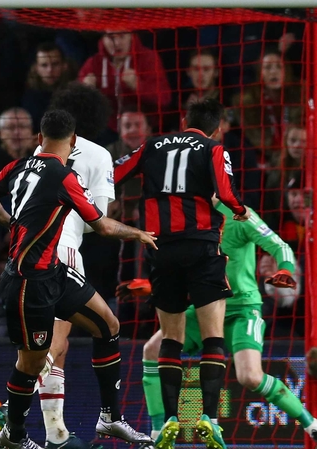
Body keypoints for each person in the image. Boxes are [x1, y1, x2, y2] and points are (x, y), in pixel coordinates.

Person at [0, 109, 157, 449]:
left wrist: (11, 222)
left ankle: (110, 418)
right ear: (72, 142)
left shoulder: (17, 166)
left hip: (55, 272)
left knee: (108, 325)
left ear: (39, 138)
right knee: (31, 363)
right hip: (29, 284)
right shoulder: (63, 174)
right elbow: (101, 225)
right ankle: (13, 434)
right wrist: (137, 233)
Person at [113, 98, 251, 449]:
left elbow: (115, 173)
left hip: (161, 248)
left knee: (171, 339)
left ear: (183, 120)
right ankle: (210, 418)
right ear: (217, 127)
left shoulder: (152, 145)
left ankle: (171, 419)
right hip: (202, 247)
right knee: (212, 337)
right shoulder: (214, 147)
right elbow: (224, 190)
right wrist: (239, 209)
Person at [137, 198, 317, 444]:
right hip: (206, 307)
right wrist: (152, 286)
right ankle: (158, 433)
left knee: (250, 377)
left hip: (242, 309)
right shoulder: (185, 215)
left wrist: (285, 268)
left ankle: (311, 424)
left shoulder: (239, 214)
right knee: (152, 349)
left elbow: (280, 245)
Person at [34, 84, 117, 449]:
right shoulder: (99, 155)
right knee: (64, 336)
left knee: (56, 346)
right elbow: (97, 220)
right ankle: (10, 405)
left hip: (25, 253)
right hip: (63, 251)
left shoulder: (37, 153)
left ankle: (56, 435)